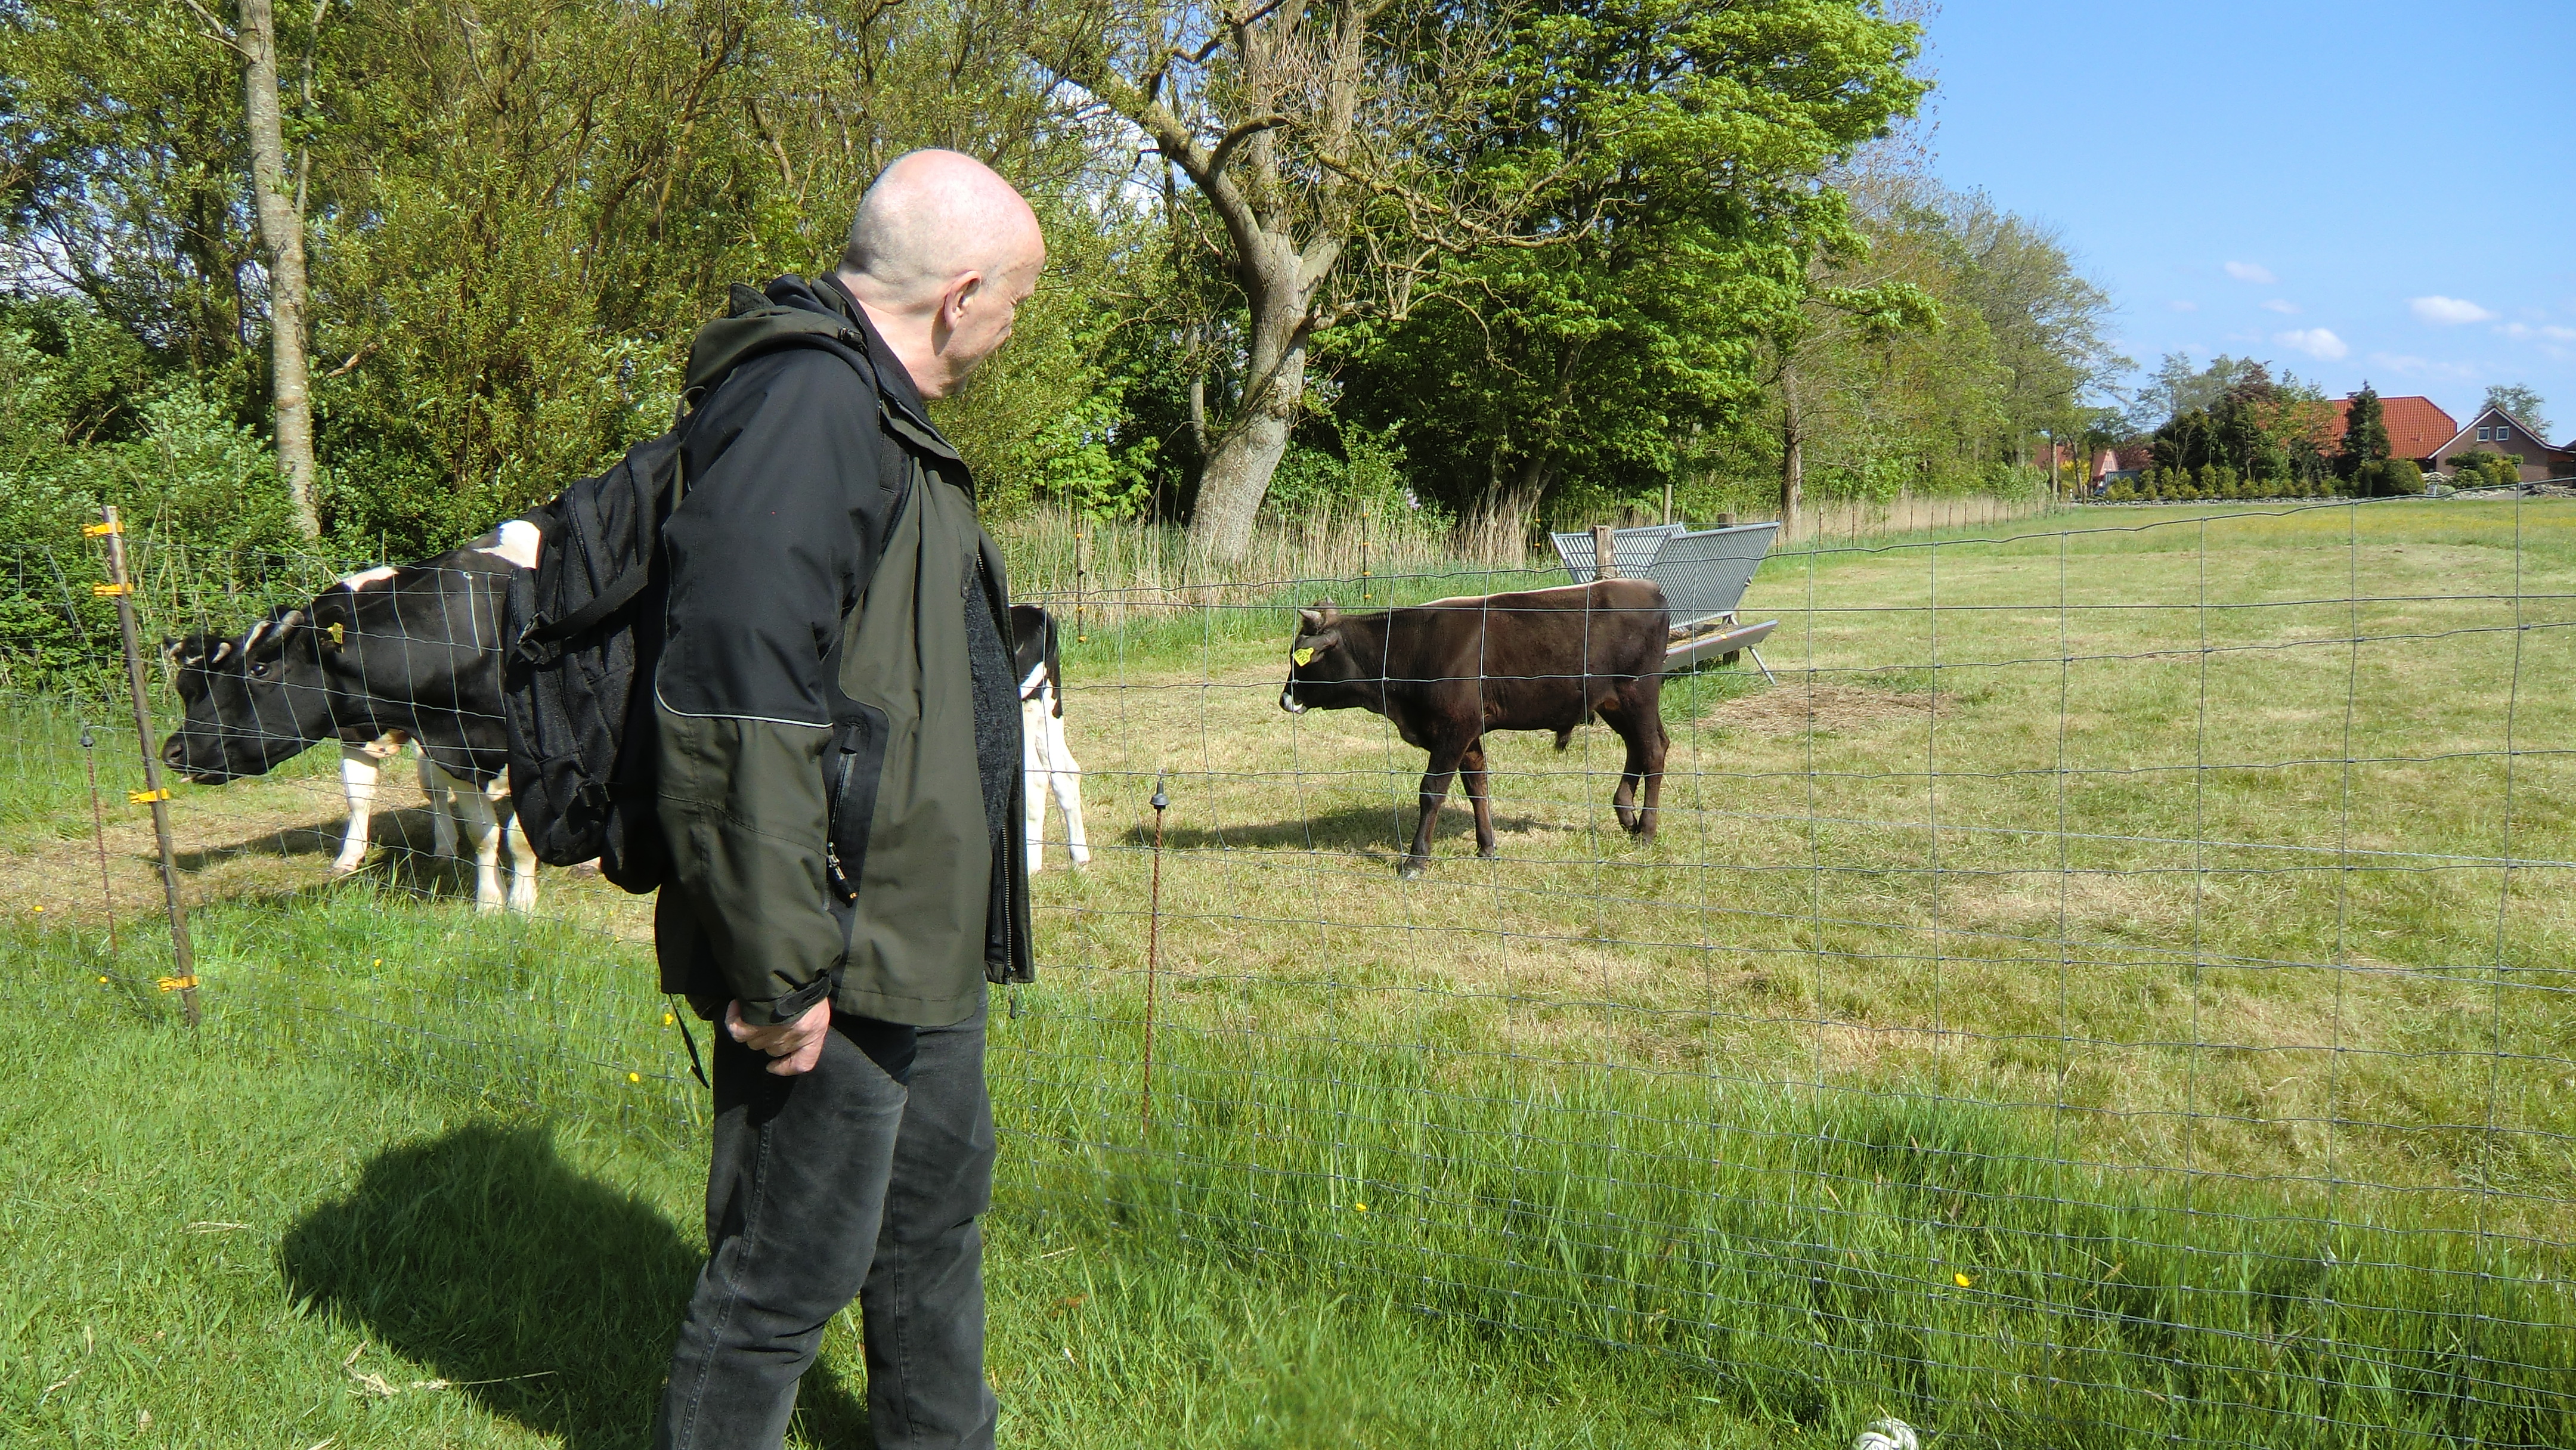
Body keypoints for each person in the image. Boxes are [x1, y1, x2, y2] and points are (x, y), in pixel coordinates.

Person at [649, 148, 1042, 1450]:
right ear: (962, 294)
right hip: (834, 943)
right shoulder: (806, 406)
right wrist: (779, 965)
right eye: (1016, 303)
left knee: (931, 1225)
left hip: (920, 939)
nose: (1010, 329)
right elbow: (733, 698)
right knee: (784, 1272)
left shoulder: (880, 417)